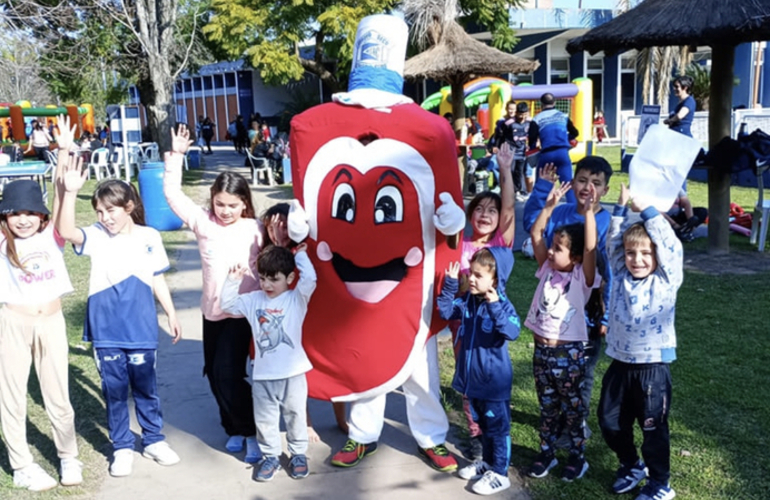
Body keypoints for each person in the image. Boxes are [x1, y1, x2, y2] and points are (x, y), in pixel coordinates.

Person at [56, 154, 182, 478]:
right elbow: (65, 230)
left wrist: (170, 313)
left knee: (145, 388)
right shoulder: (96, 235)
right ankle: (122, 446)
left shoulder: (149, 237)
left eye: (110, 210)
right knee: (114, 392)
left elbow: (157, 278)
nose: (105, 217)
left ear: (129, 207)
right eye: (99, 211)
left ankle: (153, 440)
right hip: (106, 329)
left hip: (141, 327)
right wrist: (70, 192)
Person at [163, 125, 264, 462]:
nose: (225, 211)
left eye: (233, 205)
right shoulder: (203, 223)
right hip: (213, 312)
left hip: (243, 313)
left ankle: (251, 432)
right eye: (220, 204)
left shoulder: (255, 229)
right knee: (214, 374)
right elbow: (173, 196)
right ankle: (233, 427)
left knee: (229, 373)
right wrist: (176, 156)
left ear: (244, 203)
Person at [0, 150, 82, 491]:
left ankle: (68, 456)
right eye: (14, 213)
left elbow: (61, 192)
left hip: (51, 322)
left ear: (42, 215)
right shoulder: (2, 241)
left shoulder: (52, 236)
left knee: (57, 392)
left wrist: (63, 152)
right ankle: (22, 465)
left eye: (30, 212)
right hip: (12, 323)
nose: (23, 220)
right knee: (12, 396)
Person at [598, 184, 683, 500]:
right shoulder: (621, 274)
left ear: (658, 257)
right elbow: (612, 245)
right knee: (609, 421)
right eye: (632, 253)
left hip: (652, 368)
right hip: (620, 363)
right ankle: (632, 465)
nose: (637, 260)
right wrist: (620, 208)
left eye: (646, 254)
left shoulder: (666, 280)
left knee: (652, 429)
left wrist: (646, 209)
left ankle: (660, 484)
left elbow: (669, 245)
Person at [523, 158, 613, 445]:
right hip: (554, 323)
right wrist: (546, 200)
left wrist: (605, 316)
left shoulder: (606, 222)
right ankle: (557, 424)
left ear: (605, 190)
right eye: (582, 180)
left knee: (581, 376)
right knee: (554, 378)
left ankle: (576, 425)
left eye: (596, 183)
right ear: (572, 182)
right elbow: (534, 231)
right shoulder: (559, 219)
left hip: (587, 311)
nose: (588, 187)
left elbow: (599, 263)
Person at [220, 240, 317, 481]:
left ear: (290, 278)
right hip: (263, 375)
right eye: (263, 278)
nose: (267, 285)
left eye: (274, 279)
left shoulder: (296, 299)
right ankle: (270, 456)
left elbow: (310, 280)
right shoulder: (254, 299)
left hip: (293, 374)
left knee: (295, 416)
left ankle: (298, 454)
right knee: (265, 420)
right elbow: (227, 305)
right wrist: (233, 280)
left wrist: (301, 256)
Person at [525, 179, 600, 481]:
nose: (551, 252)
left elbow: (591, 248)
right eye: (552, 246)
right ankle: (547, 453)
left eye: (558, 249)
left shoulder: (583, 277)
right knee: (547, 408)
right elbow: (535, 233)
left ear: (576, 257)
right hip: (542, 352)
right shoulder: (547, 268)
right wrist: (548, 207)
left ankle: (577, 458)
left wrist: (589, 213)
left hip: (568, 354)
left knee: (572, 410)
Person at [449, 143, 516, 461]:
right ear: (470, 214)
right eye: (479, 209)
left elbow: (510, 208)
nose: (485, 214)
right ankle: (475, 435)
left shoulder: (501, 245)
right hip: (463, 326)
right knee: (467, 380)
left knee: (488, 378)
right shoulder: (459, 243)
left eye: (492, 210)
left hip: (490, 327)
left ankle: (493, 434)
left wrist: (505, 169)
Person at [437, 247, 520, 495]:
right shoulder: (467, 301)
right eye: (471, 273)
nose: (471, 279)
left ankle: (500, 473)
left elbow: (512, 331)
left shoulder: (502, 305)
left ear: (495, 280)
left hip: (493, 384)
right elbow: (445, 311)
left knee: (498, 429)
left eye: (478, 275)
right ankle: (488, 463)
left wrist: (495, 307)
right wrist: (451, 285)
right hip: (472, 382)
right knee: (483, 424)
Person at [528, 93, 580, 203]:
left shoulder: (537, 119)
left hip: (547, 154)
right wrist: (566, 139)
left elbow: (532, 139)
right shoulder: (563, 116)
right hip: (562, 153)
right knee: (568, 185)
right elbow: (575, 133)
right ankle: (574, 210)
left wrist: (533, 149)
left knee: (540, 185)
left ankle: (537, 209)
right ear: (554, 102)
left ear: (541, 104)